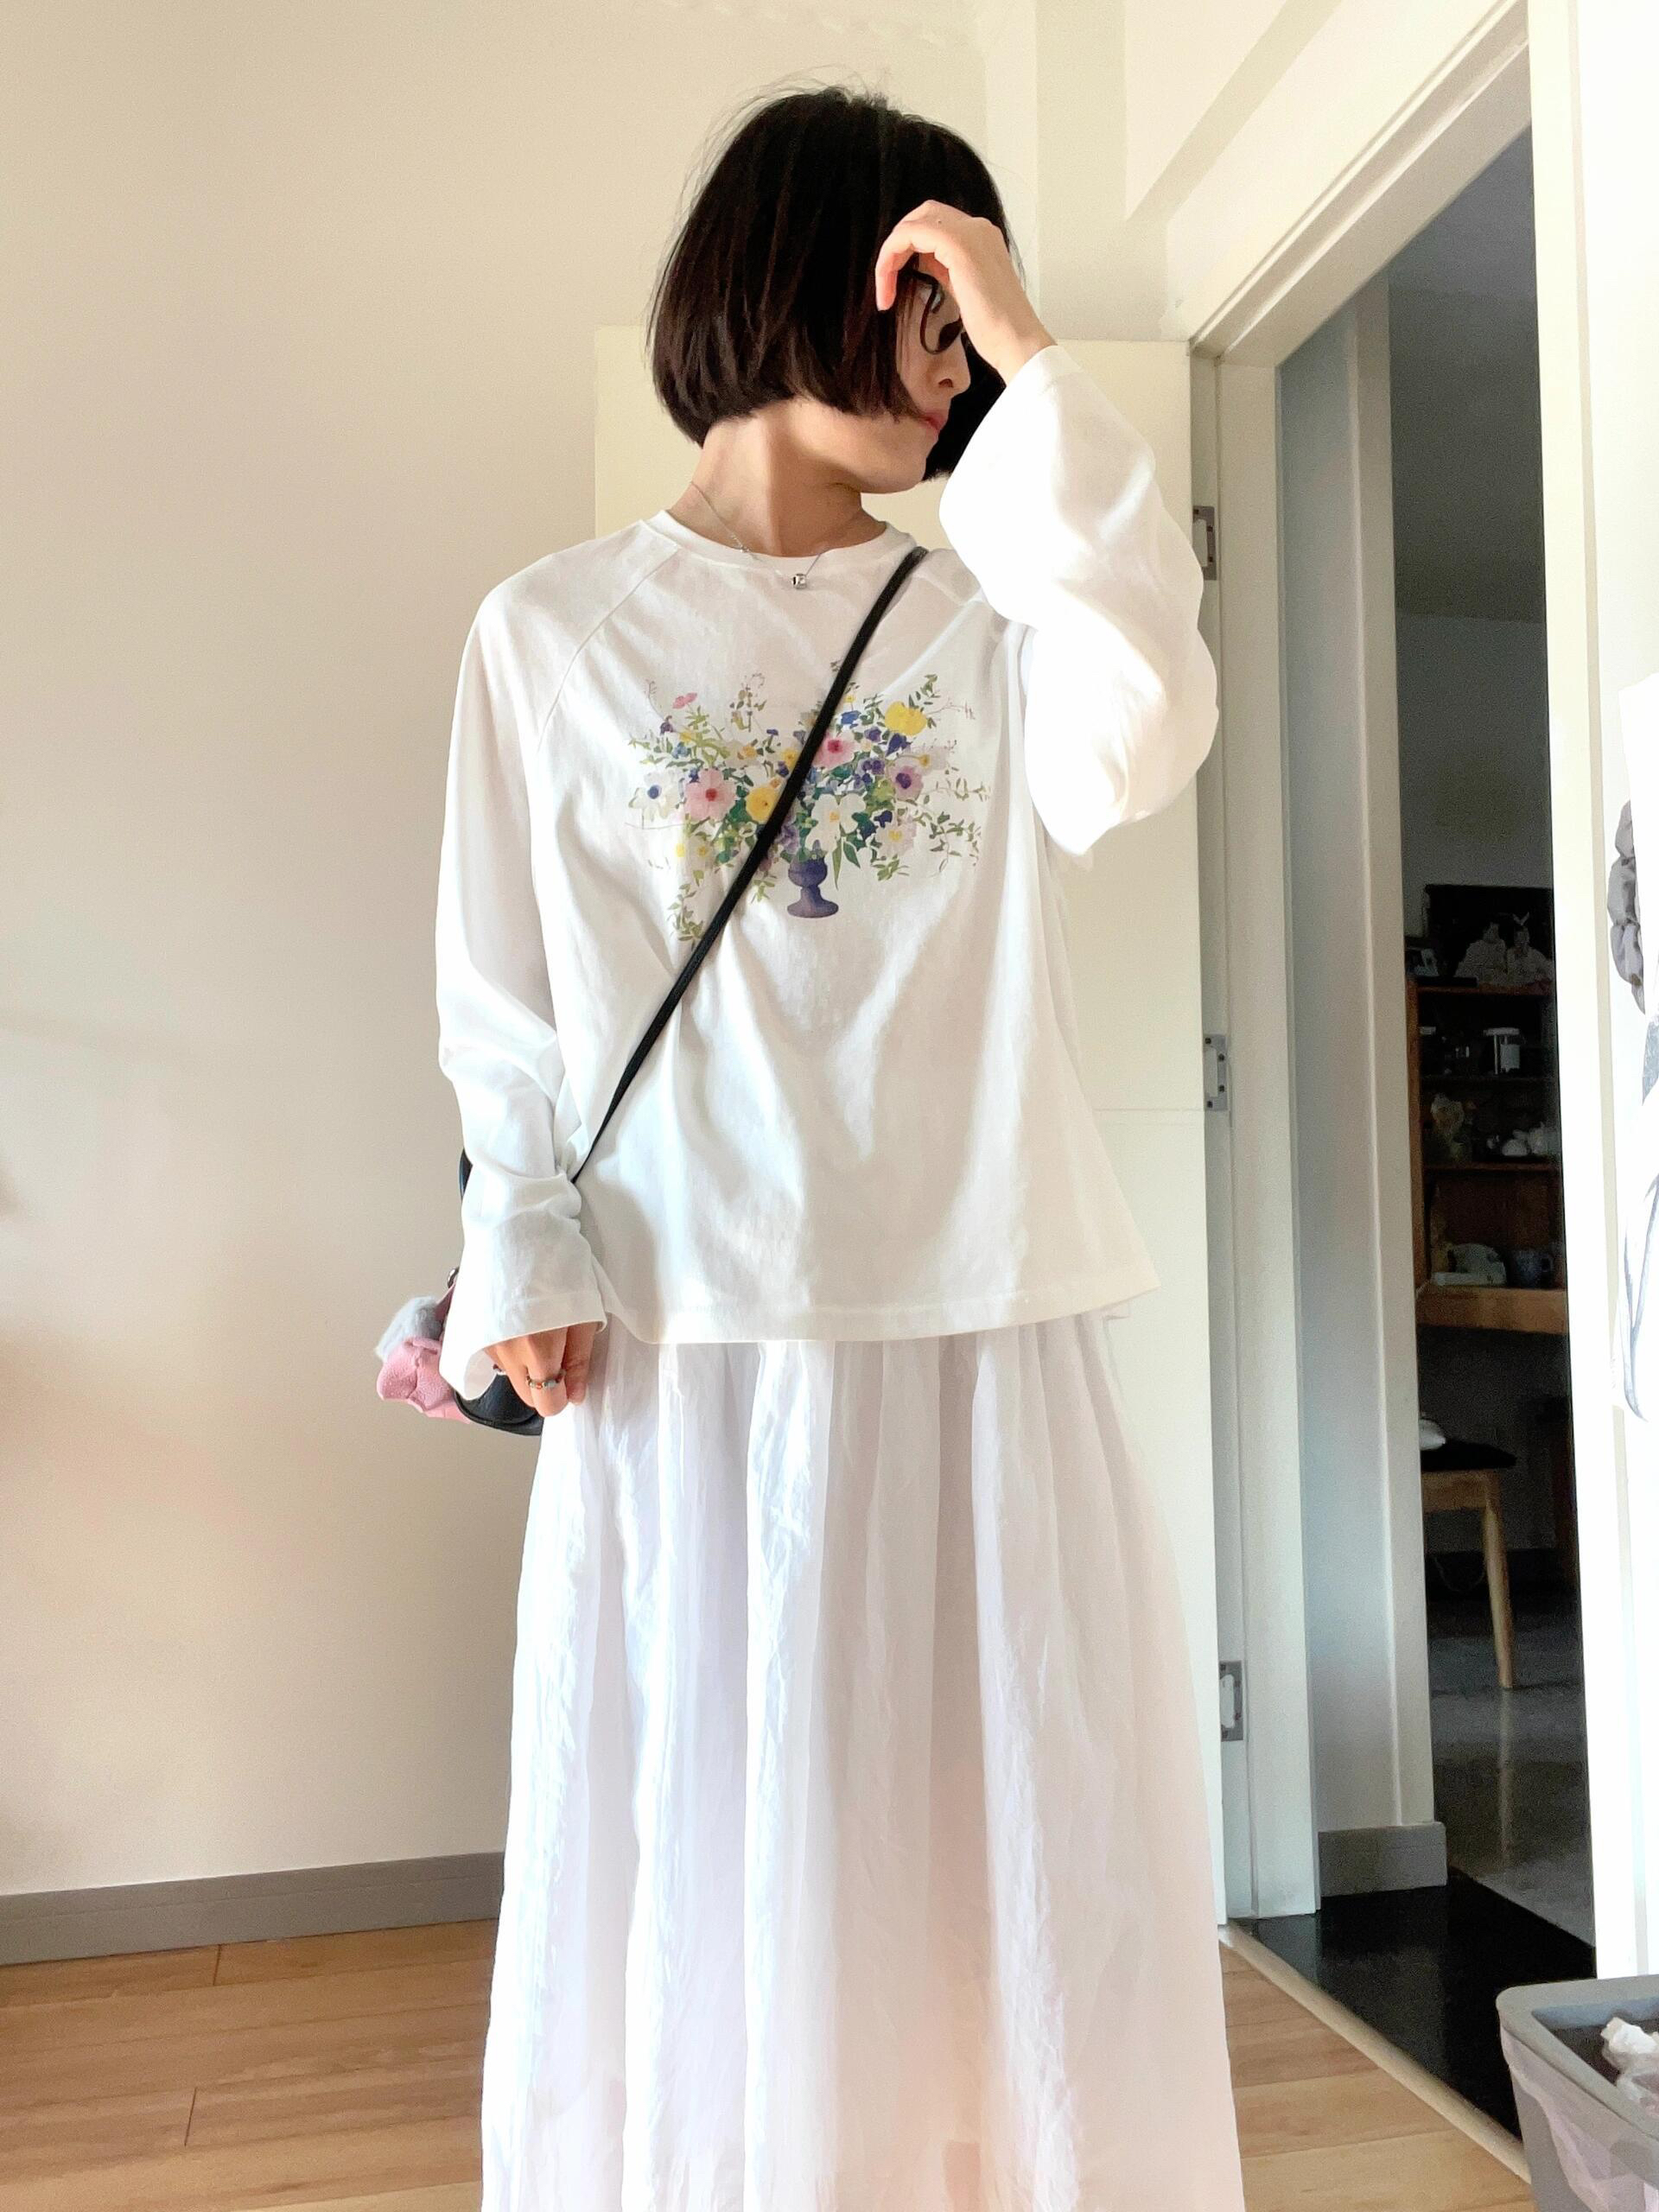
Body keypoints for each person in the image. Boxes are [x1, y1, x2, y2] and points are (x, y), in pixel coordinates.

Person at [434, 77, 1246, 2212]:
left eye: (972, 329)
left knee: (1001, 1874)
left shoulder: (992, 626)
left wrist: (1035, 347)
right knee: (714, 1878)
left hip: (976, 1322)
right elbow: (502, 1002)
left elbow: (1154, 717)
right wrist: (521, 1248)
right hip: (691, 1348)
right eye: (933, 317)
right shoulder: (551, 631)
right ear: (820, 278)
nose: (955, 374)